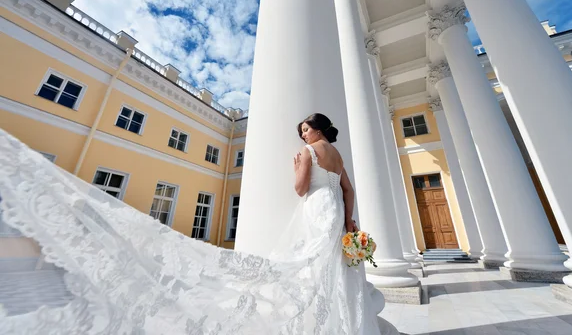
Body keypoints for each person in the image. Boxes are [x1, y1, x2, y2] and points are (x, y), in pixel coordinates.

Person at [0, 113, 380, 334]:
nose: (302, 135)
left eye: (305, 130)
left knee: (305, 265)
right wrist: (348, 220)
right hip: (333, 210)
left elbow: (299, 191)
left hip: (315, 207)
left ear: (316, 130)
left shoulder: (307, 153)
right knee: (331, 265)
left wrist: (299, 169)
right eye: (301, 133)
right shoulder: (338, 156)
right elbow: (348, 190)